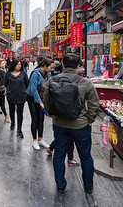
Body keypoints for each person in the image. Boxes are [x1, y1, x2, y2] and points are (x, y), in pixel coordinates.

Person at [43, 53, 99, 194]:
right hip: (80, 125)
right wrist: (90, 120)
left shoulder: (52, 80)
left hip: (60, 124)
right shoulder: (86, 83)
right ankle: (88, 186)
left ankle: (61, 185)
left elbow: (46, 99)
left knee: (59, 154)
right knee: (85, 156)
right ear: (78, 66)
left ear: (62, 64)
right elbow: (94, 105)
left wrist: (50, 112)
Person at [26, 58, 54, 150]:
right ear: (45, 66)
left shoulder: (47, 74)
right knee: (35, 119)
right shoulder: (35, 73)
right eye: (51, 67)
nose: (52, 69)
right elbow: (33, 88)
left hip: (42, 98)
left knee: (41, 119)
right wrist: (39, 102)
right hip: (32, 98)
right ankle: (34, 140)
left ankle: (40, 139)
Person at [5, 59, 29, 138]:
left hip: (21, 95)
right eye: (17, 64)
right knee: (11, 110)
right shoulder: (8, 74)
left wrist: (23, 91)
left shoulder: (23, 73)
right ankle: (13, 122)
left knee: (20, 113)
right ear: (13, 65)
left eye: (20, 65)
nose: (19, 66)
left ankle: (19, 129)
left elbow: (26, 84)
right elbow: (5, 84)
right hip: (11, 95)